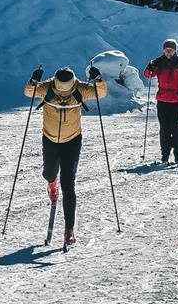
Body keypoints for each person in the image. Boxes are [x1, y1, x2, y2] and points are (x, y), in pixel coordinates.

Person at [25, 66, 107, 247]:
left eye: (66, 91)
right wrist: (34, 79)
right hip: (50, 139)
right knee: (48, 173)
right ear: (55, 83)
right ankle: (51, 184)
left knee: (69, 184)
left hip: (72, 140)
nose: (63, 94)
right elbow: (29, 91)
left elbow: (100, 92)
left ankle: (69, 231)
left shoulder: (80, 88)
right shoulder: (46, 87)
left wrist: (98, 79)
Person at [143, 38, 178, 164]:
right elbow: (148, 74)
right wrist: (149, 67)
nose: (168, 52)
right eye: (166, 50)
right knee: (164, 129)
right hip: (162, 100)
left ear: (175, 50)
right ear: (163, 50)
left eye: (171, 50)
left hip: (177, 101)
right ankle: (165, 155)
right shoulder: (158, 62)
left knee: (175, 128)